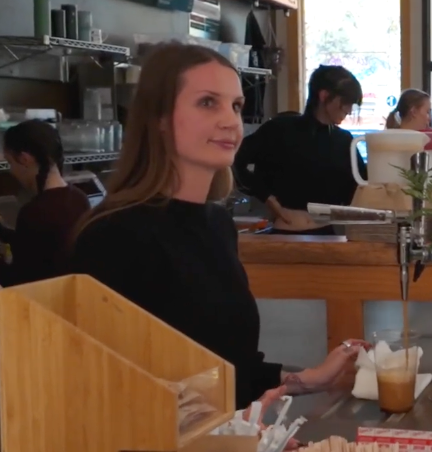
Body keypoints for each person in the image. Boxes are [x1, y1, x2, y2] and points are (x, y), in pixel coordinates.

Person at [71, 43, 365, 410]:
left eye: (236, 105)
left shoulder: (217, 225)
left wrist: (310, 379)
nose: (230, 121)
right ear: (159, 118)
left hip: (226, 436)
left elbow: (232, 369)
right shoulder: (112, 237)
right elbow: (105, 391)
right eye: (208, 102)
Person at [233, 65, 364, 235]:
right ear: (324, 96)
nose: (349, 110)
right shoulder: (278, 130)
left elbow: (362, 184)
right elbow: (235, 160)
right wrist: (266, 197)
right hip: (283, 236)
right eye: (345, 102)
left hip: (328, 236)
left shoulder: (344, 140)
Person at [0, 120, 90, 287]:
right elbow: (49, 250)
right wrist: (8, 235)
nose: (11, 170)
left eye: (10, 162)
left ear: (25, 159)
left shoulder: (35, 211)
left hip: (47, 302)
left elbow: (20, 284)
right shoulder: (79, 199)